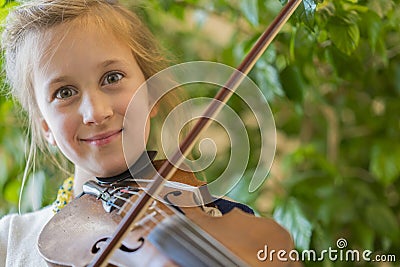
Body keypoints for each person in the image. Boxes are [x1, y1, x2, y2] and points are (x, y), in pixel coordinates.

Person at [0, 0, 258, 266]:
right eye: (65, 93)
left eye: (112, 78)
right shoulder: (9, 243)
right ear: (46, 127)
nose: (96, 113)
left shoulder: (223, 219)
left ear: (151, 94)